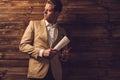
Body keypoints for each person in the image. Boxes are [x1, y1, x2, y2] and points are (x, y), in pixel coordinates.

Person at [19, 0, 70, 80]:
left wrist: (64, 56)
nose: (44, 12)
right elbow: (23, 46)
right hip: (37, 73)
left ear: (57, 13)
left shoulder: (62, 31)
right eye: (44, 9)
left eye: (48, 10)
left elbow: (64, 54)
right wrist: (42, 52)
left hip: (55, 74)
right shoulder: (33, 24)